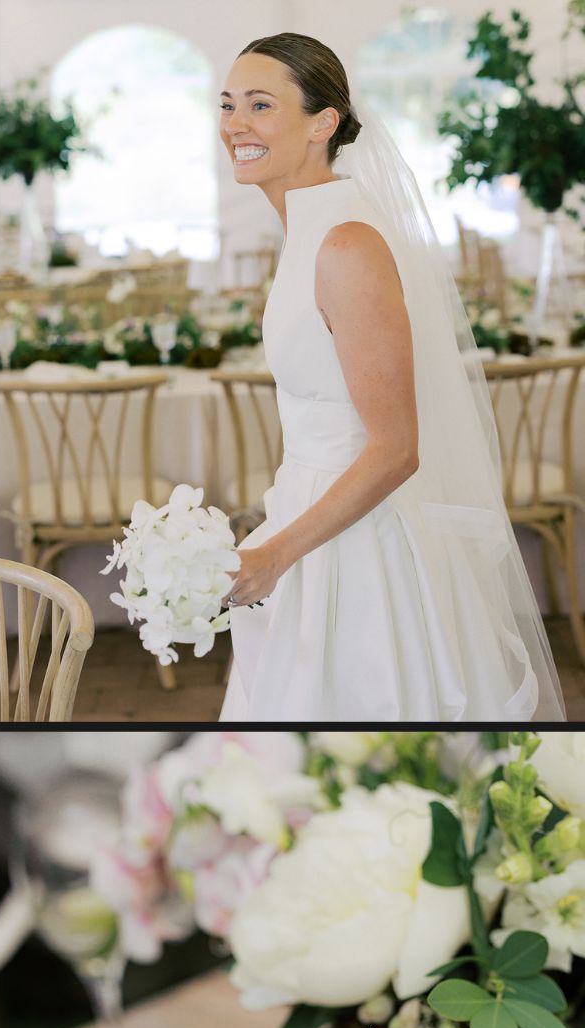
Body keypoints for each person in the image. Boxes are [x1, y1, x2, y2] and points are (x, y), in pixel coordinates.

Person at [214, 32, 564, 720]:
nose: (235, 126)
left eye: (260, 105)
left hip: (361, 547)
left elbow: (396, 449)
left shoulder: (346, 244)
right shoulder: (311, 230)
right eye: (227, 105)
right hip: (311, 512)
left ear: (324, 123)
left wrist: (274, 555)